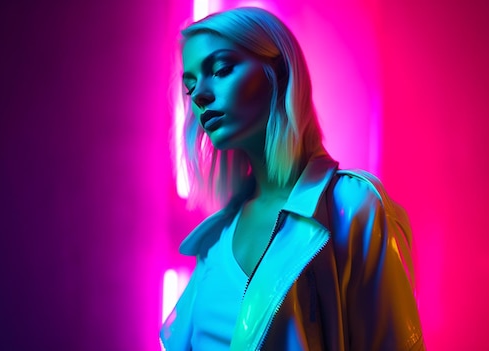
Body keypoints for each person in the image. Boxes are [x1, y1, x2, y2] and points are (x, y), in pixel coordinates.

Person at [160, 7, 424, 350]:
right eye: (189, 85)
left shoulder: (352, 207)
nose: (199, 96)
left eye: (222, 69)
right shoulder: (213, 242)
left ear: (279, 73)